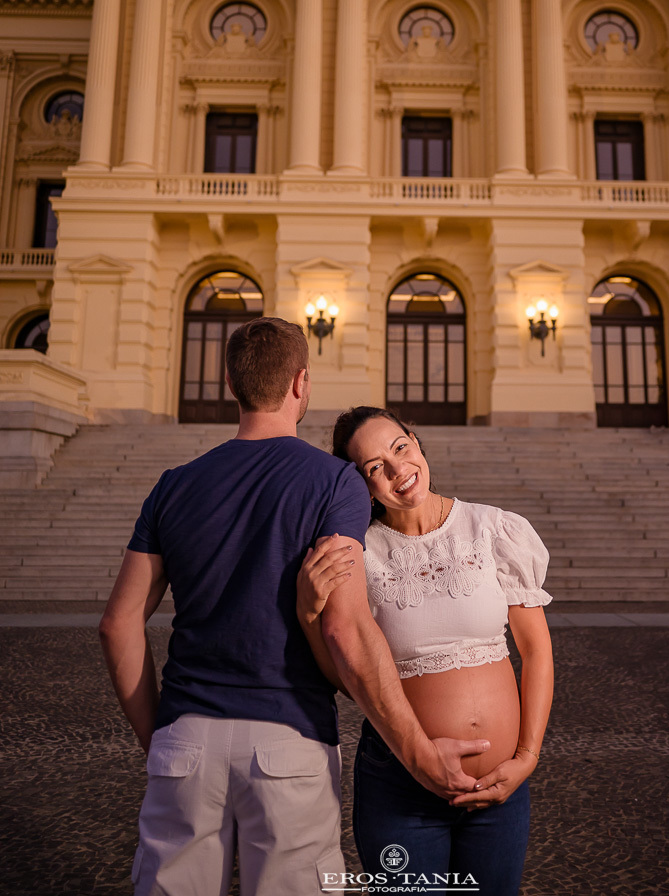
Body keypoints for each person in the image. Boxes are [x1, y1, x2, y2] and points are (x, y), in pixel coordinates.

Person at [99, 319, 489, 896]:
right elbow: (348, 627)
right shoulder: (334, 482)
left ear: (230, 383)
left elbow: (118, 623)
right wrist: (418, 753)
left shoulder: (173, 485)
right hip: (289, 743)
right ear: (301, 384)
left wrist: (156, 738)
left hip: (186, 735)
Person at [298, 406, 555, 896]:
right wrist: (310, 613)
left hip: (501, 791)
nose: (398, 470)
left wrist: (527, 757)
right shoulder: (359, 552)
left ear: (415, 441)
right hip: (400, 786)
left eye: (400, 447)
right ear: (362, 483)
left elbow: (536, 650)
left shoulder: (493, 529)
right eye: (375, 467)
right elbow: (348, 678)